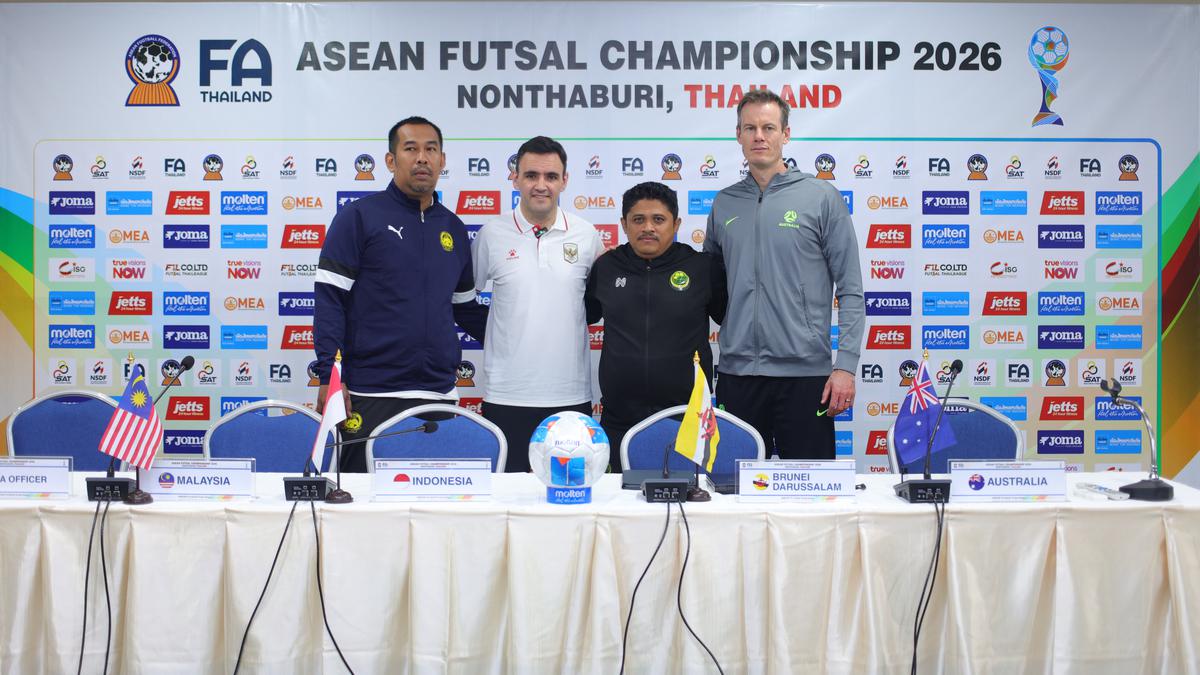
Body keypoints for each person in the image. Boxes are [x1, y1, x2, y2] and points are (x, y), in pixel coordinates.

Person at [313, 116, 488, 472]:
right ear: (391, 160)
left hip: (439, 395)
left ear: (442, 160)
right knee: (362, 512)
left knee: (440, 511)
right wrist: (329, 377)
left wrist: (527, 339)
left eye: (431, 149)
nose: (422, 158)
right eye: (411, 149)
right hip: (371, 393)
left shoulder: (453, 228)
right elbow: (331, 299)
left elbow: (465, 309)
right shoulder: (359, 217)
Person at [704, 89, 864, 459]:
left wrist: (846, 367)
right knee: (732, 494)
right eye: (750, 128)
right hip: (738, 375)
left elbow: (852, 289)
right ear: (739, 135)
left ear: (786, 135)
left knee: (814, 496)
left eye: (768, 127)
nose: (759, 136)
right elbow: (709, 285)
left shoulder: (821, 197)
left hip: (805, 377)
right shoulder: (724, 202)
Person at [471, 136, 605, 472]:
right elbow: (462, 300)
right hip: (506, 393)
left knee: (570, 495)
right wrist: (503, 338)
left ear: (565, 180)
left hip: (570, 393)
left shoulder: (586, 235)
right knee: (510, 498)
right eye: (531, 176)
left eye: (550, 176)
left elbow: (597, 304)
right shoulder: (492, 233)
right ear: (515, 178)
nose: (540, 185)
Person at [585, 182, 726, 470]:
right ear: (624, 224)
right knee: (619, 506)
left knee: (690, 506)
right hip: (619, 420)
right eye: (638, 219)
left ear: (676, 224)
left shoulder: (702, 268)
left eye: (658, 219)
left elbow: (731, 320)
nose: (648, 227)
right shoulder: (606, 267)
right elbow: (583, 316)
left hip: (687, 417)